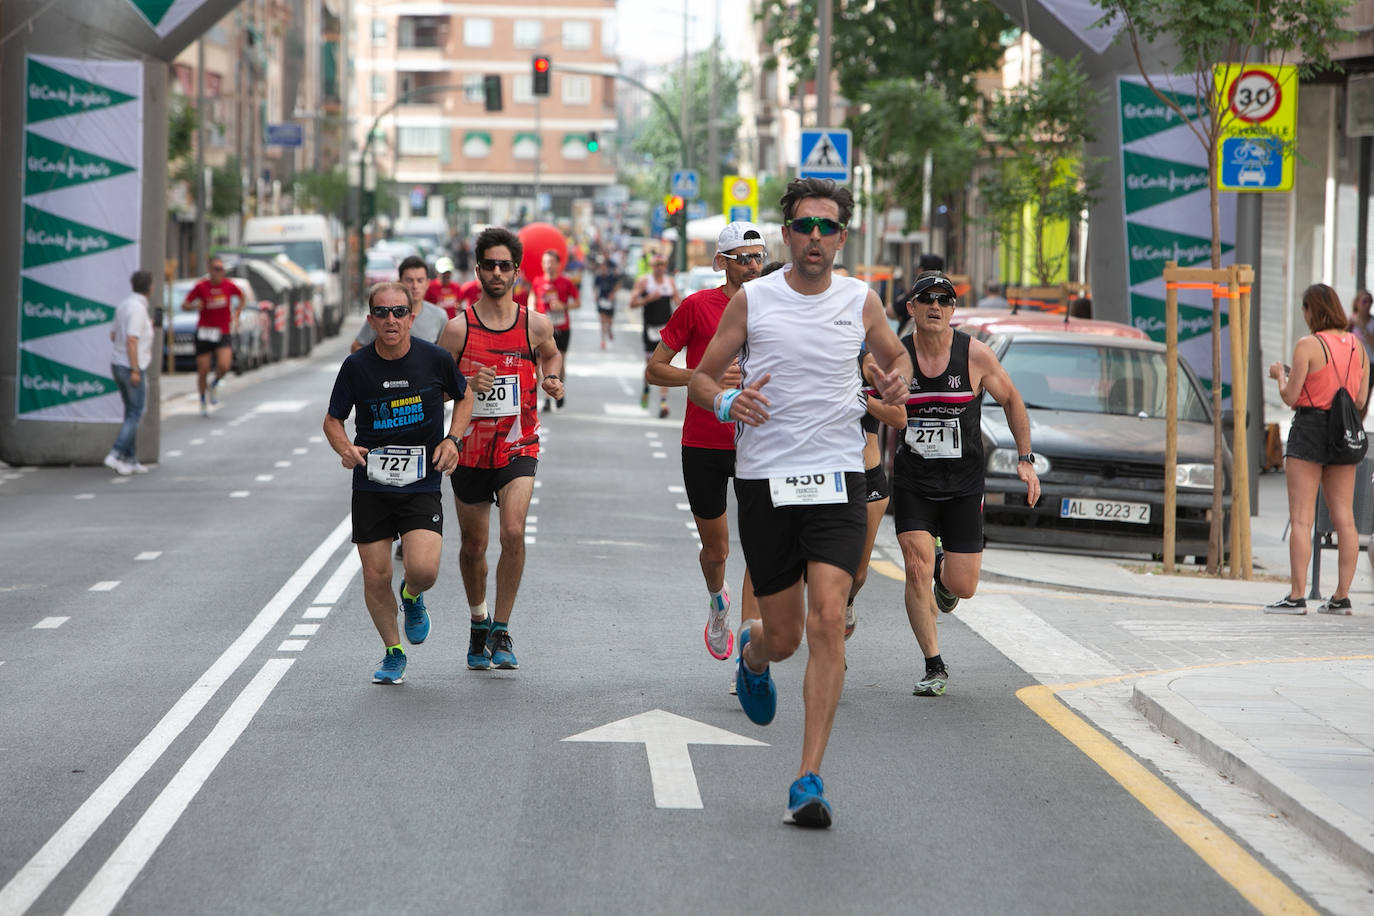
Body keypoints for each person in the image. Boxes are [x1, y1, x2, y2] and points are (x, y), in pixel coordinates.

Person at [688, 177, 912, 828]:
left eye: (828, 227)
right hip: (766, 481)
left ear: (842, 237)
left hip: (839, 478)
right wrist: (726, 401)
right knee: (784, 637)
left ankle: (808, 778)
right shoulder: (753, 300)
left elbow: (896, 362)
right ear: (787, 235)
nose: (816, 237)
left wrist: (895, 380)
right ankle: (753, 655)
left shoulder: (860, 300)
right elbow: (701, 378)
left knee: (829, 618)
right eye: (805, 226)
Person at [891, 271, 1041, 695]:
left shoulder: (974, 355)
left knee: (964, 586)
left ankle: (944, 573)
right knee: (914, 566)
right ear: (912, 307)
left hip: (963, 484)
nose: (935, 306)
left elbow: (1011, 399)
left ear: (953, 310)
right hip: (914, 480)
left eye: (944, 300)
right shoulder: (899, 357)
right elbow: (880, 406)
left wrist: (1025, 459)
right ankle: (934, 665)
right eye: (926, 299)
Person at [323, 281, 473, 684]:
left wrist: (453, 440)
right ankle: (393, 651)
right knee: (376, 576)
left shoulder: (435, 359)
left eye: (399, 312)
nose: (391, 320)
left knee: (424, 569)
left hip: (420, 482)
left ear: (411, 317)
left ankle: (412, 595)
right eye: (382, 312)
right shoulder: (356, 366)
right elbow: (333, 420)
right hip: (371, 484)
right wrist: (345, 449)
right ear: (371, 320)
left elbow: (465, 396)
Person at [437, 227, 565, 670]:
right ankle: (479, 621)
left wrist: (551, 377)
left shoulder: (534, 324)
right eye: (489, 265)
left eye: (504, 266)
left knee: (512, 531)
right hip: (470, 451)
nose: (496, 272)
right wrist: (465, 386)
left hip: (518, 445)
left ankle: (502, 628)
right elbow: (433, 388)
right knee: (474, 546)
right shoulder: (457, 330)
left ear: (516, 272)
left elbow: (551, 354)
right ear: (477, 270)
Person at [647, 221, 766, 666]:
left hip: (758, 440)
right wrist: (702, 377)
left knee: (760, 548)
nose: (753, 266)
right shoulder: (697, 306)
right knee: (717, 551)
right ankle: (718, 602)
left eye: (758, 257)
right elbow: (655, 369)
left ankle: (748, 651)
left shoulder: (775, 306)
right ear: (722, 262)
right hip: (704, 442)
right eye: (743, 258)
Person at [1267, 283, 1370, 615]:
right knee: (1345, 518)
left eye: (1305, 309)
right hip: (1344, 432)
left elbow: (1291, 397)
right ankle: (1341, 597)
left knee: (1301, 518)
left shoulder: (1308, 345)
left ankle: (1297, 596)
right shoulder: (1358, 348)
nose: (1304, 315)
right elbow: (1360, 400)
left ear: (1313, 310)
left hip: (1310, 429)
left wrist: (1279, 376)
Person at [846, 351, 906, 638]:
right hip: (826, 476)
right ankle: (828, 638)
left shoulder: (867, 363)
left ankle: (847, 601)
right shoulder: (805, 358)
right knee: (820, 568)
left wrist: (861, 398)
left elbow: (899, 417)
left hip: (867, 476)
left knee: (857, 574)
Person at [105, 270, 156, 475]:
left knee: (130, 412)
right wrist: (135, 368)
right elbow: (131, 339)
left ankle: (130, 459)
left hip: (118, 364)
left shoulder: (124, 305)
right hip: (131, 367)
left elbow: (113, 334)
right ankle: (116, 454)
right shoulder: (138, 309)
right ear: (150, 288)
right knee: (136, 412)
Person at [182, 255, 245, 417]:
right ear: (210, 270)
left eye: (221, 269)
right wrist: (195, 305)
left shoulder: (228, 285)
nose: (219, 272)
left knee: (224, 365)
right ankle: (203, 400)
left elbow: (242, 296)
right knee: (203, 370)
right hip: (204, 332)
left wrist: (237, 313)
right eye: (216, 269)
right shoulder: (201, 286)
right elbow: (185, 304)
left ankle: (215, 383)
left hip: (222, 331)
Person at [353, 255, 448, 352]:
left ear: (427, 283)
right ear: (399, 282)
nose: (415, 286)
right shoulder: (383, 314)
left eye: (420, 280)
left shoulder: (440, 316)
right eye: (409, 280)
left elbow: (445, 354)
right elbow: (357, 347)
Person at [630, 255, 678, 417]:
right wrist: (648, 298)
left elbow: (678, 302)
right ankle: (646, 388)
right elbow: (632, 303)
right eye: (657, 264)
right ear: (652, 266)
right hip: (650, 329)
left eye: (662, 264)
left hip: (665, 330)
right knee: (650, 365)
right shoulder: (644, 282)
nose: (660, 267)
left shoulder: (670, 282)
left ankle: (663, 402)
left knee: (665, 365)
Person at [533, 249, 579, 411]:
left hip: (561, 328)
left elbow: (577, 303)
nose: (548, 265)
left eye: (551, 262)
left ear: (558, 264)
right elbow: (532, 298)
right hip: (542, 330)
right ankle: (547, 398)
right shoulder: (537, 281)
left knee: (560, 361)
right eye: (546, 262)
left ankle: (560, 386)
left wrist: (563, 306)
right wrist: (532, 311)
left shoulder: (566, 282)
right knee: (540, 362)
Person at [425, 256, 464, 320]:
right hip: (435, 322)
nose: (446, 275)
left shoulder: (456, 287)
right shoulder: (429, 287)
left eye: (448, 272)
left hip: (452, 322)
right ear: (436, 272)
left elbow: (459, 304)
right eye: (443, 272)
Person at [594, 259, 621, 349]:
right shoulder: (598, 277)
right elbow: (595, 286)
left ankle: (609, 329)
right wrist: (595, 295)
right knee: (602, 320)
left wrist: (613, 293)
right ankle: (603, 340)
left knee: (609, 320)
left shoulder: (612, 276)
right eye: (601, 268)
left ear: (607, 268)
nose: (603, 269)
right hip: (602, 300)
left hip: (610, 301)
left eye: (604, 268)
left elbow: (618, 285)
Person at [1348, 289, 1374, 363]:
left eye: (1370, 301)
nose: (1368, 304)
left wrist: (1362, 327)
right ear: (1357, 303)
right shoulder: (1351, 320)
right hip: (1355, 362)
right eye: (1364, 301)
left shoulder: (1372, 321)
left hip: (1370, 362)